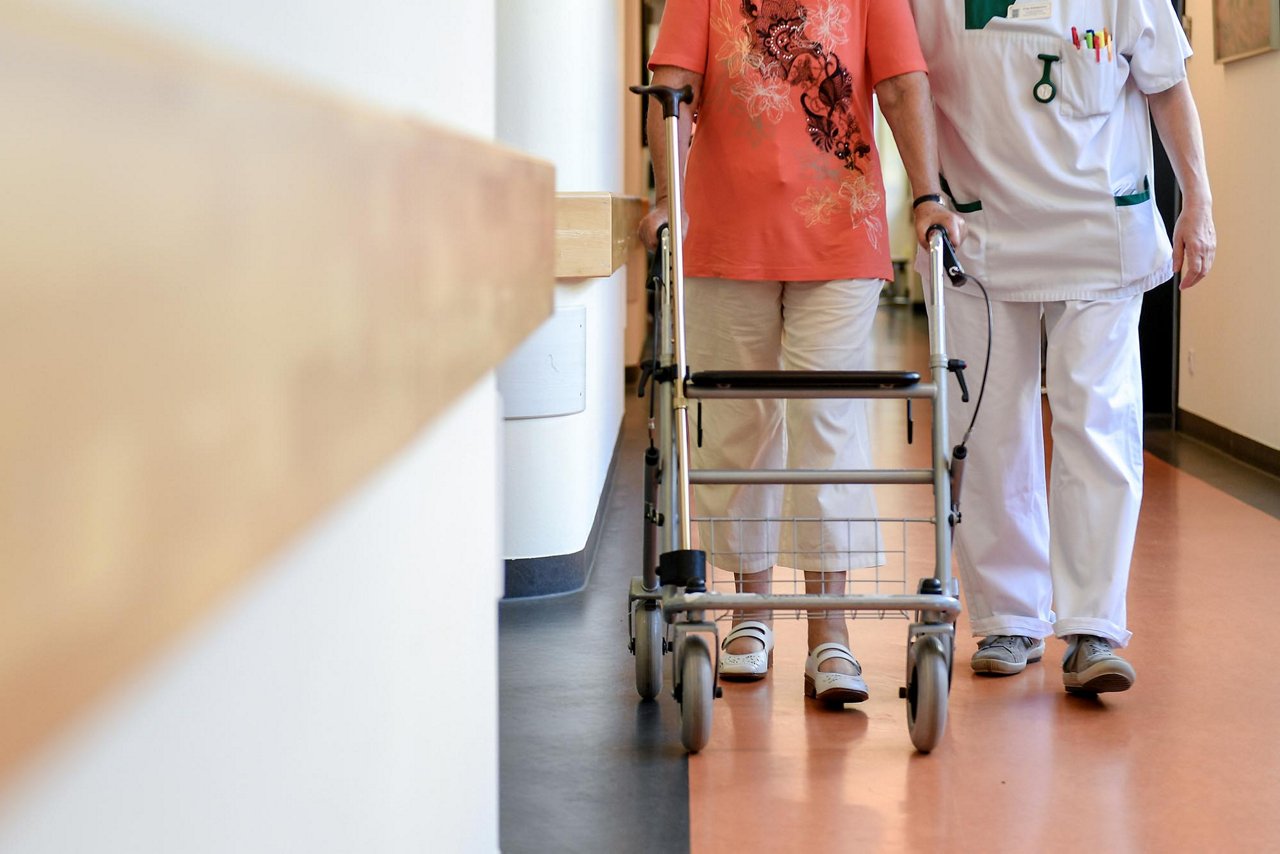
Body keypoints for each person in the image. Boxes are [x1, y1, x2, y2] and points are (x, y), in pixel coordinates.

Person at [639, 0, 963, 704]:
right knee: (742, 425)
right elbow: (672, 89)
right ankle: (750, 614)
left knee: (827, 422)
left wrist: (929, 196)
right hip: (724, 233)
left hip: (841, 235)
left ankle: (831, 633)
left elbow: (903, 85)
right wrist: (670, 196)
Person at [907, 0, 1216, 693]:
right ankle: (1009, 617)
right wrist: (924, 194)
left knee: (1098, 422)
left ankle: (1093, 627)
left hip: (1100, 229)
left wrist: (1198, 197)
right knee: (989, 431)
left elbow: (1165, 81)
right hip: (978, 231)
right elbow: (906, 82)